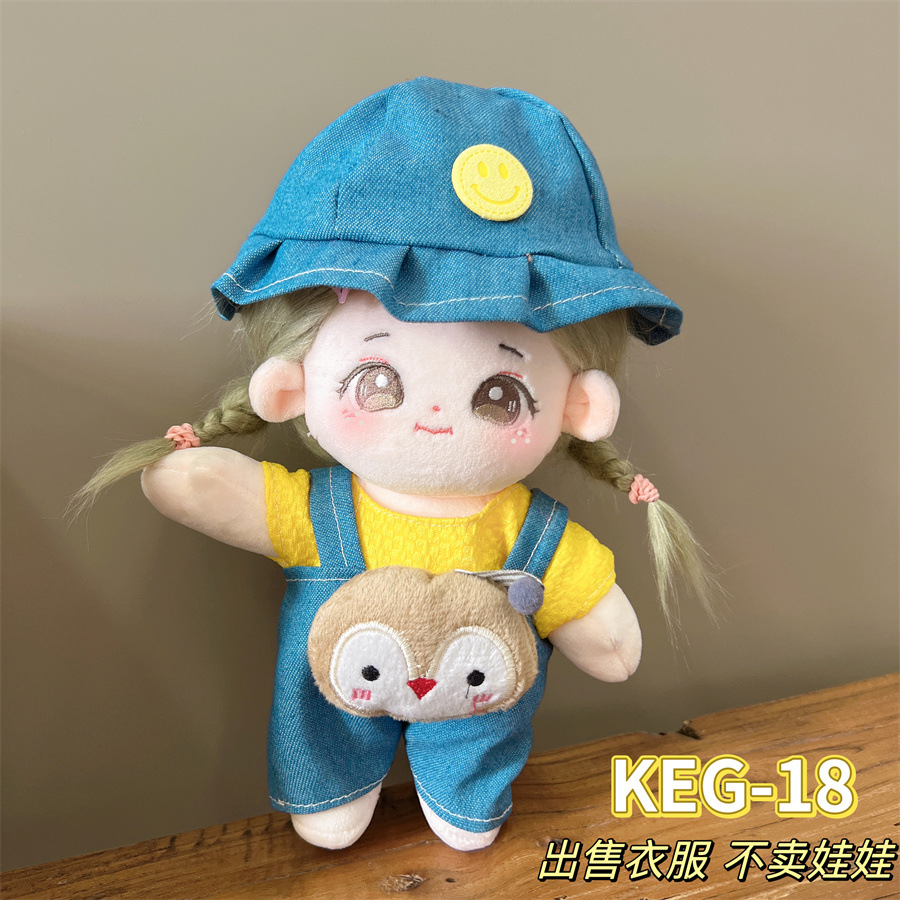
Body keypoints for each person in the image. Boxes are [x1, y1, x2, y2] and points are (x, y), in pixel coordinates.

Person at [75, 78, 715, 851]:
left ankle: (465, 798)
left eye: (500, 396)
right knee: (323, 730)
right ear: (292, 385)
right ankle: (335, 789)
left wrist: (591, 618)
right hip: (333, 705)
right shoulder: (323, 511)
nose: (435, 419)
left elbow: (602, 633)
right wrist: (197, 476)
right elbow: (210, 490)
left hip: (481, 708)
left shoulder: (529, 529)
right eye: (377, 383)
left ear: (580, 406)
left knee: (479, 746)